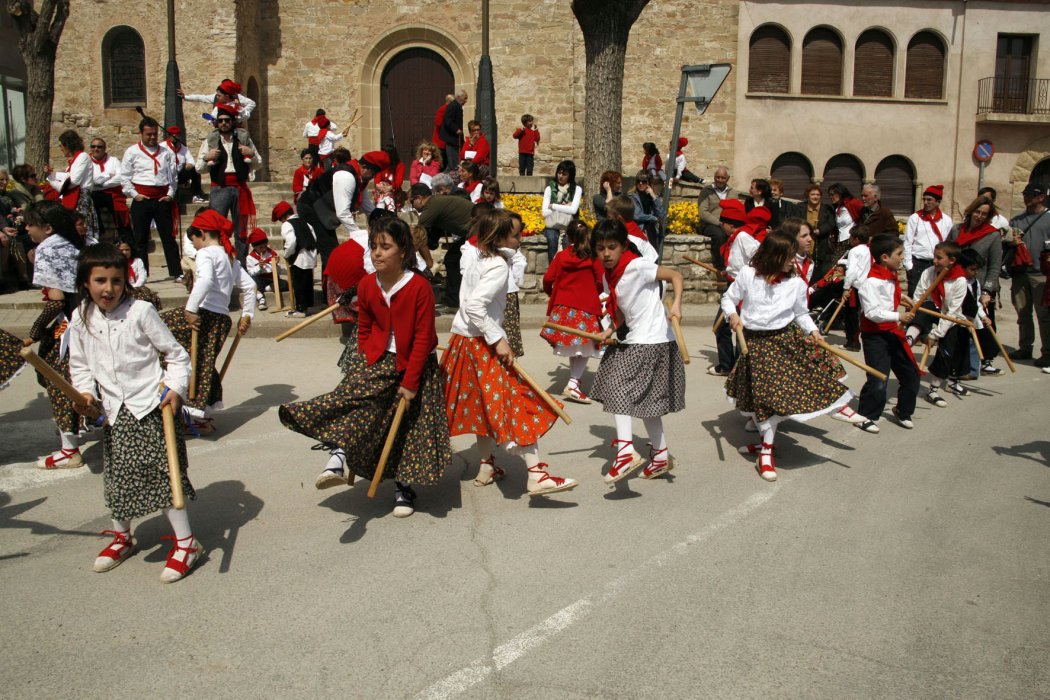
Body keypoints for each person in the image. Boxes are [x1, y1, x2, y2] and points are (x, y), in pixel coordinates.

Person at [279, 217, 450, 517]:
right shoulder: (369, 286)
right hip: (380, 360)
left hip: (415, 365)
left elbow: (424, 338)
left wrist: (410, 383)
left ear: (404, 251)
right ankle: (338, 451)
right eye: (373, 247)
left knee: (407, 428)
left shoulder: (419, 287)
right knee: (355, 402)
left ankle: (403, 488)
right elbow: (365, 328)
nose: (378, 253)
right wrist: (365, 361)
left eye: (386, 247)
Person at [68, 243, 201, 582]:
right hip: (114, 412)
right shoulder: (81, 318)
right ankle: (123, 537)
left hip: (150, 407)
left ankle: (186, 544)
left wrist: (175, 388)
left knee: (164, 477)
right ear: (86, 282)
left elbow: (176, 355)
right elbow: (80, 364)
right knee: (118, 479)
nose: (108, 288)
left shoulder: (141, 311)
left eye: (115, 280)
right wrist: (85, 393)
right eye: (100, 280)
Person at [442, 209, 578, 496]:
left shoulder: (477, 257)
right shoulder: (497, 266)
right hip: (482, 344)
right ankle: (537, 474)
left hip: (463, 342)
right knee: (514, 403)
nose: (520, 239)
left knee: (482, 405)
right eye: (515, 235)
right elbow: (474, 306)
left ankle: (486, 464)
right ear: (500, 236)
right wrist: (498, 340)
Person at [723, 231, 852, 482]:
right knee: (762, 400)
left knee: (774, 397)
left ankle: (766, 453)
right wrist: (732, 315)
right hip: (754, 344)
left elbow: (800, 314)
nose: (794, 261)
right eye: (789, 256)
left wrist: (814, 331)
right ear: (774, 256)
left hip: (782, 342)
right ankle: (764, 447)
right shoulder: (748, 275)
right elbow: (728, 299)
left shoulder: (796, 283)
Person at [591, 218, 686, 483]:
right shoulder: (609, 276)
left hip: (651, 340)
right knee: (649, 405)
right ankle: (661, 456)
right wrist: (609, 331)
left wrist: (676, 305)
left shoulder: (637, 265)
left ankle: (625, 451)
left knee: (617, 387)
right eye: (601, 248)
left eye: (612, 247)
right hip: (637, 338)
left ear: (624, 246)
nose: (607, 253)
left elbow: (675, 276)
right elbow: (620, 312)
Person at [160, 209, 255, 434]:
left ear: (201, 233)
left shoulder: (207, 253)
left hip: (204, 314)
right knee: (202, 360)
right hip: (221, 319)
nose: (195, 246)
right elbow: (250, 287)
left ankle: (191, 413)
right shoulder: (229, 256)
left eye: (194, 240)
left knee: (160, 335)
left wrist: (191, 309)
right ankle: (197, 413)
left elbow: (205, 280)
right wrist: (246, 314)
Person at [22, 203, 85, 469]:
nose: (26, 228)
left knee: (57, 378)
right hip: (85, 318)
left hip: (71, 323)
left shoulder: (48, 248)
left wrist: (33, 333)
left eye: (30, 224)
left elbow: (56, 302)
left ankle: (69, 449)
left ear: (47, 228)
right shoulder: (76, 242)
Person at [855, 234, 921, 432]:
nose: (902, 257)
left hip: (894, 333)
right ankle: (866, 415)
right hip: (875, 336)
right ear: (884, 257)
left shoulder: (889, 276)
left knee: (911, 375)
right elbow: (873, 313)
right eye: (899, 254)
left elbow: (887, 298)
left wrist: (903, 298)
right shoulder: (871, 282)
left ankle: (903, 410)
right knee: (878, 379)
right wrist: (899, 316)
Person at [540, 219, 604, 403]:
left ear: (567, 237)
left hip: (564, 307)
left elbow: (547, 278)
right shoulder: (592, 257)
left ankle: (573, 380)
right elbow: (600, 281)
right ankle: (574, 383)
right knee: (586, 347)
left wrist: (553, 293)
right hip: (585, 307)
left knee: (574, 346)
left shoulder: (560, 257)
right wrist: (593, 292)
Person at [195, 103, 261, 262]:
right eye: (221, 120)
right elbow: (199, 168)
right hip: (220, 188)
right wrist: (207, 157)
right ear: (217, 122)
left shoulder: (244, 138)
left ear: (232, 121)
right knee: (216, 228)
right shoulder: (210, 140)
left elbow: (258, 163)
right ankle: (220, 261)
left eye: (227, 120)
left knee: (241, 230)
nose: (224, 123)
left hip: (239, 187)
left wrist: (251, 154)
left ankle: (241, 264)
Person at [906, 240, 969, 407]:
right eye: (934, 256)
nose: (934, 261)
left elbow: (952, 312)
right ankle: (907, 340)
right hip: (930, 311)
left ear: (952, 260)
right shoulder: (929, 272)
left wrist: (936, 333)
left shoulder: (960, 281)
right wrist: (926, 322)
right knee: (923, 306)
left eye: (939, 258)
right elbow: (918, 298)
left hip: (949, 319)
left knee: (947, 350)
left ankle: (933, 390)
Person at [949, 195, 1004, 376]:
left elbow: (995, 265)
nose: (979, 216)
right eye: (977, 212)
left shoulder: (993, 235)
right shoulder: (957, 230)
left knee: (980, 325)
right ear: (971, 211)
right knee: (958, 326)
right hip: (957, 283)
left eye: (984, 214)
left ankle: (981, 363)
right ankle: (958, 363)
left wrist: (988, 290)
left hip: (978, 286)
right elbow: (949, 252)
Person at [410, 180, 474, 309]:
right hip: (472, 232)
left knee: (452, 260)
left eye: (412, 202)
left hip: (478, 232)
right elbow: (428, 238)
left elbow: (417, 237)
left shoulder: (432, 206)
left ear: (419, 198)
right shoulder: (436, 203)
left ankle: (453, 303)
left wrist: (430, 264)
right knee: (453, 259)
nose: (412, 206)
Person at [1006, 183, 1050, 365]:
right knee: (1023, 314)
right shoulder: (1016, 221)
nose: (1026, 198)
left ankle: (1047, 352)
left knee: (1044, 316)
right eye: (1025, 194)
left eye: (1031, 195)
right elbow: (1006, 242)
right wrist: (1010, 241)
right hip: (1020, 273)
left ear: (1041, 197)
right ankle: (1025, 348)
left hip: (1041, 274)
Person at [708, 199, 749, 377]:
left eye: (723, 222)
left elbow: (757, 260)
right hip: (734, 286)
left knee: (737, 326)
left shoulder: (743, 237)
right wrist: (728, 272)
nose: (721, 225)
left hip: (742, 289)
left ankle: (736, 367)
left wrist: (742, 278)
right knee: (723, 327)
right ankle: (728, 364)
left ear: (731, 224)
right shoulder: (735, 238)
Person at [45, 129, 99, 242]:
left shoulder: (83, 157)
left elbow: (73, 181)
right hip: (76, 199)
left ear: (68, 145)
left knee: (82, 233)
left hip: (81, 200)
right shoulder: (74, 161)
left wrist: (51, 178)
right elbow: (67, 177)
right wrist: (52, 175)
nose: (60, 149)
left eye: (61, 146)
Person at [904, 184, 953, 296]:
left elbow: (947, 243)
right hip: (918, 263)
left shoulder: (946, 220)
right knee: (915, 294)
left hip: (937, 263)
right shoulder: (915, 218)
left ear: (938, 201)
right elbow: (907, 242)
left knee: (935, 295)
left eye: (929, 200)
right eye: (924, 199)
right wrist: (909, 265)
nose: (926, 202)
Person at [272, 200, 315, 318]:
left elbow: (291, 242)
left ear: (282, 217)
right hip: (309, 257)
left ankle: (300, 309)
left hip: (297, 258)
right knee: (307, 283)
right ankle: (306, 307)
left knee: (298, 284)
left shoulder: (287, 224)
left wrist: (286, 254)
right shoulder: (305, 222)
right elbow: (314, 238)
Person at [87, 138, 130, 243]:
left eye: (99, 146)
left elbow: (120, 177)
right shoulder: (86, 161)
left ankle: (126, 239)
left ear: (105, 148)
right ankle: (99, 232)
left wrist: (102, 184)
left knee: (119, 210)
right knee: (92, 200)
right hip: (94, 193)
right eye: (93, 146)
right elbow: (89, 179)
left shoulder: (113, 161)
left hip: (112, 193)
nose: (96, 149)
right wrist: (107, 176)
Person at [696, 166, 739, 270]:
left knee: (740, 236)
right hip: (710, 224)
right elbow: (703, 212)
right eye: (717, 177)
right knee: (719, 236)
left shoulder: (733, 193)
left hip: (728, 225)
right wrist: (720, 223)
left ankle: (736, 266)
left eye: (723, 178)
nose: (720, 180)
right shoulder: (706, 191)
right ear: (714, 177)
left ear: (727, 179)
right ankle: (721, 267)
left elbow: (736, 211)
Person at [541, 160, 582, 264]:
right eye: (559, 173)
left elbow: (573, 210)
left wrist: (554, 206)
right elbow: (544, 213)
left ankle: (567, 269)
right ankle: (553, 268)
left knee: (568, 243)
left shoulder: (577, 189)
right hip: (553, 224)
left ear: (570, 175)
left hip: (569, 225)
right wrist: (565, 207)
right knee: (552, 239)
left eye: (564, 174)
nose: (560, 176)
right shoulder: (550, 188)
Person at [607, 195, 659, 263]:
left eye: (609, 218)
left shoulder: (629, 239)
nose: (607, 221)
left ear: (619, 219)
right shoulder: (631, 226)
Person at [161, 126, 206, 203]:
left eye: (178, 135)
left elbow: (192, 161)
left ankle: (196, 195)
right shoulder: (162, 147)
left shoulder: (184, 148)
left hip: (179, 175)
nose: (176, 138)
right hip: (167, 177)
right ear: (169, 136)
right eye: (173, 136)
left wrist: (189, 165)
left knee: (195, 170)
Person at [245, 228, 286, 311]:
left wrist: (276, 265)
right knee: (252, 283)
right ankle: (261, 299)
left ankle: (267, 288)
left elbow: (278, 272)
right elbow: (251, 272)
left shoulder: (272, 254)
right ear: (254, 247)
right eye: (260, 247)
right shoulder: (250, 258)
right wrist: (259, 267)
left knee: (286, 284)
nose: (264, 249)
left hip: (272, 278)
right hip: (260, 278)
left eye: (265, 246)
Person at [180, 78, 255, 123]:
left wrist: (239, 107)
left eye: (219, 95)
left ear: (227, 95)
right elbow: (201, 98)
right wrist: (185, 97)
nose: (218, 97)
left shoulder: (237, 100)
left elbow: (246, 113)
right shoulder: (218, 102)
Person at [803, 184, 838, 280]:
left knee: (816, 275)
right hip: (803, 244)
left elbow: (831, 223)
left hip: (820, 244)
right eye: (812, 194)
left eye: (818, 195)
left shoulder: (827, 208)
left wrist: (820, 230)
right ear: (808, 195)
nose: (815, 197)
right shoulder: (800, 207)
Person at [828, 183, 863, 266]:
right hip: (840, 241)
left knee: (841, 265)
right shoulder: (838, 208)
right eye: (829, 195)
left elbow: (864, 217)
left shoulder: (853, 203)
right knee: (836, 265)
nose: (830, 197)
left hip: (850, 240)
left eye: (832, 194)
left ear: (840, 193)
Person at [630, 170, 664, 254]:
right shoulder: (632, 196)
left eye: (644, 181)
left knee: (653, 258)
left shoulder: (652, 196)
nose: (640, 183)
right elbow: (637, 215)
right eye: (638, 181)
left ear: (649, 183)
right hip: (639, 230)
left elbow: (661, 214)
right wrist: (653, 218)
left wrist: (654, 196)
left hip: (652, 230)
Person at [440, 90, 468, 171]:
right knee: (453, 164)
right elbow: (447, 120)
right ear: (459, 97)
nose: (466, 101)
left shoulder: (457, 106)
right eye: (465, 98)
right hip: (452, 139)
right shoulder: (453, 106)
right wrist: (456, 129)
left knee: (452, 164)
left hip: (455, 140)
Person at [432, 95, 452, 169]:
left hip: (446, 142)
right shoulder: (443, 109)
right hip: (441, 142)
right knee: (441, 163)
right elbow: (439, 123)